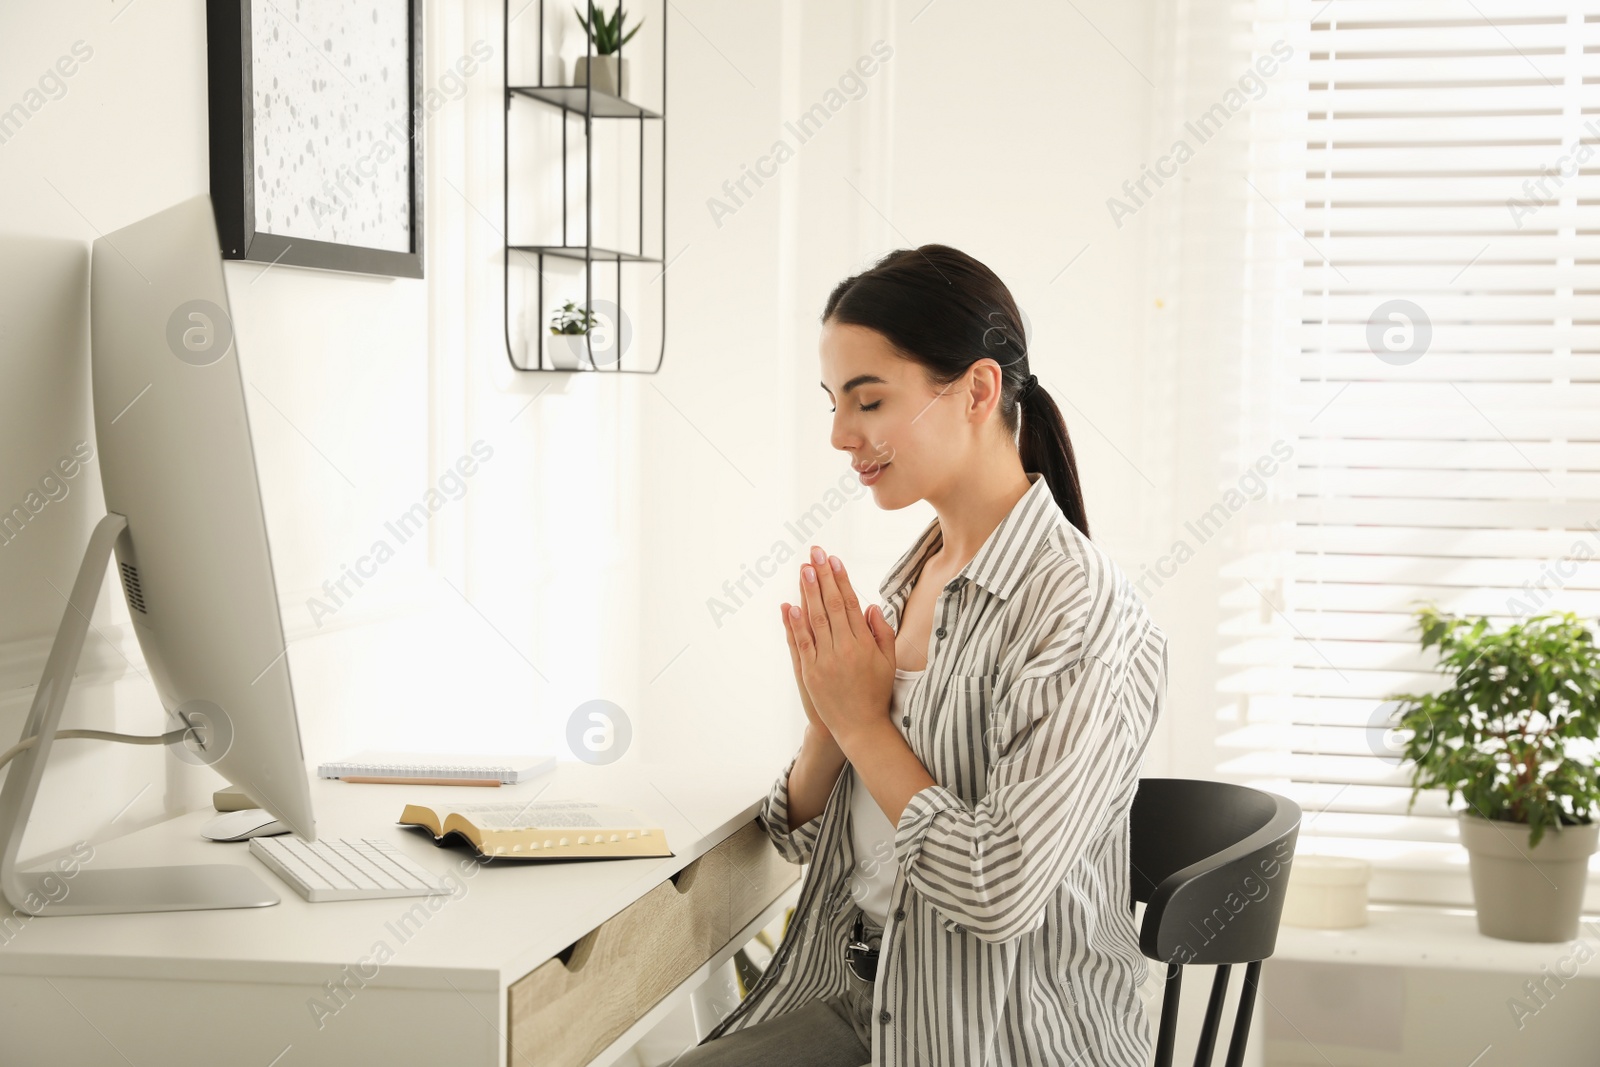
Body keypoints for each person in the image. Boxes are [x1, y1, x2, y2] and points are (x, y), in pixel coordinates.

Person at [677, 244, 1167, 1067]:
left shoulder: (1080, 612)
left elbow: (998, 890)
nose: (840, 434)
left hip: (1003, 1038)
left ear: (977, 390)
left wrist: (865, 724)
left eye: (868, 400)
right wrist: (830, 725)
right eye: (834, 403)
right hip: (866, 1001)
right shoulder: (916, 579)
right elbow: (803, 841)